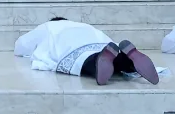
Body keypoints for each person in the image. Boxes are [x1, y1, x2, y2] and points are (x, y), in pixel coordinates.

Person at [15, 18, 159, 85]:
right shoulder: (83, 25)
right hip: (100, 43)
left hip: (72, 46)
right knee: (112, 56)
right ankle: (128, 61)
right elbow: (106, 41)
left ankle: (99, 62)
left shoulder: (49, 26)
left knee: (84, 60)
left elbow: (21, 45)